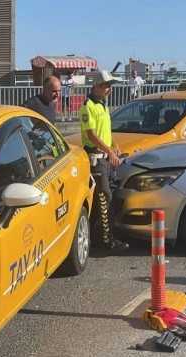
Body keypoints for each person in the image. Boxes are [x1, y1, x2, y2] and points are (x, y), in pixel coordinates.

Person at [79, 70, 129, 251]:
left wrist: (114, 145)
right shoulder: (88, 106)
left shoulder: (103, 105)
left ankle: (98, 235)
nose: (110, 90)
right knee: (104, 197)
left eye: (111, 86)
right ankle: (106, 240)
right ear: (97, 86)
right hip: (96, 159)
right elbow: (91, 135)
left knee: (107, 197)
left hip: (105, 159)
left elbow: (105, 131)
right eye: (107, 86)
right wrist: (109, 151)